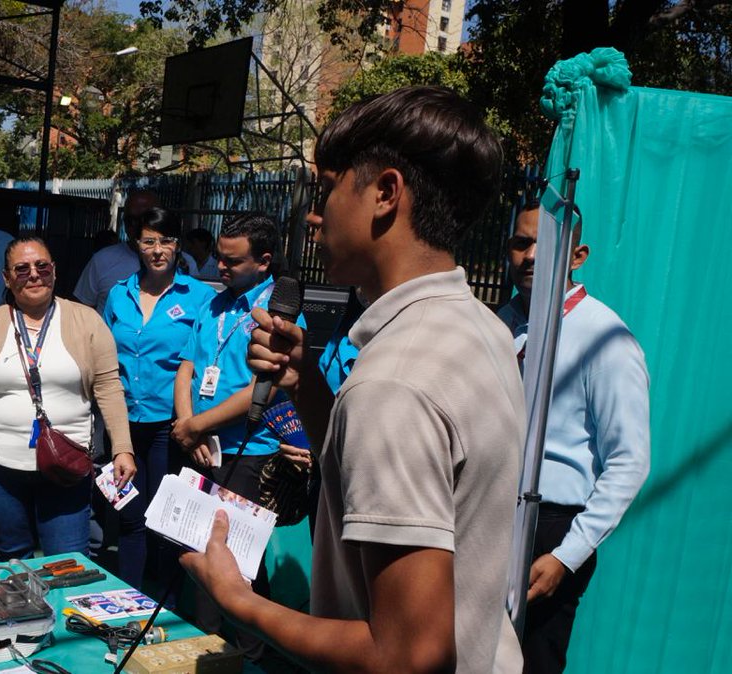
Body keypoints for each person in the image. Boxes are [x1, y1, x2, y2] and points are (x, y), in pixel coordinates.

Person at [181, 86, 525, 672]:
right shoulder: (480, 326)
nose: (313, 215)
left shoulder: (395, 382)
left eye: (327, 189)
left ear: (386, 193)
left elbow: (406, 657)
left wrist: (237, 599)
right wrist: (305, 384)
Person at [498, 200, 650, 674]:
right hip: (490, 512)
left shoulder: (606, 338)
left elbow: (629, 461)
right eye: (521, 242)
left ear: (577, 256)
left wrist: (567, 556)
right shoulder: (500, 325)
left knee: (532, 663)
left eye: (546, 244)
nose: (531, 255)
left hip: (551, 529)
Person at [0, 236, 136, 559]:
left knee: (68, 559)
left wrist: (122, 448)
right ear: (6, 278)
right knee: (12, 553)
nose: (33, 274)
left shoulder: (86, 321)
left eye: (42, 266)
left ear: (54, 271)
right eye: (22, 268)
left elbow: (109, 388)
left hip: (68, 462)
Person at [169, 211, 304, 661]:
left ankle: (249, 656)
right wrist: (188, 427)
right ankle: (204, 645)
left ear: (263, 262)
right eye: (220, 258)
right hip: (201, 446)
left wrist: (198, 426)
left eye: (232, 261)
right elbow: (187, 368)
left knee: (239, 561)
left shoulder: (278, 315)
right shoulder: (214, 304)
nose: (220, 267)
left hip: (249, 451)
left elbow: (263, 389)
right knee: (198, 547)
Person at [101, 207, 216, 590]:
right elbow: (104, 355)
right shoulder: (118, 294)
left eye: (166, 241)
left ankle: (167, 605)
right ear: (136, 244)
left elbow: (205, 358)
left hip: (170, 426)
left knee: (166, 520)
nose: (157, 250)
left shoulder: (199, 296)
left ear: (177, 245)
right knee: (130, 517)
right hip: (123, 425)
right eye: (149, 241)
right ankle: (130, 600)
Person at [73, 190, 199, 311]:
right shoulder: (104, 265)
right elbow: (81, 312)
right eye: (131, 220)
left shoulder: (186, 265)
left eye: (146, 219)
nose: (138, 226)